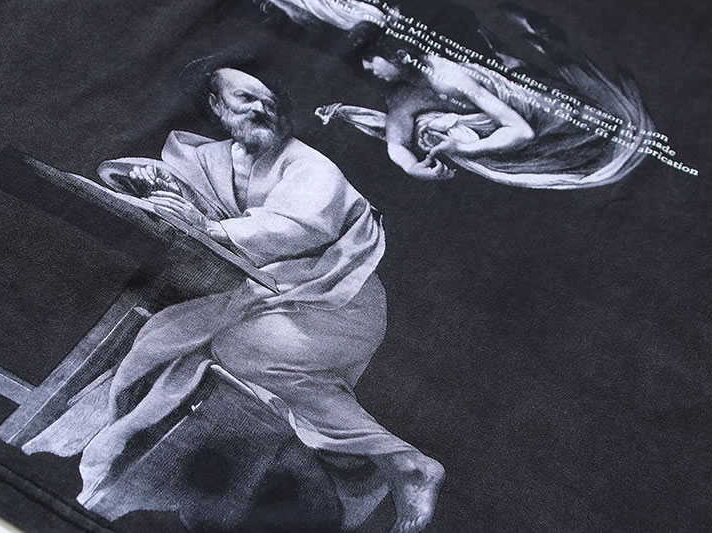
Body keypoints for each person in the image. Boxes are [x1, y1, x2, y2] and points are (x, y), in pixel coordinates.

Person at [81, 56, 445, 533]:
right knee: (166, 338)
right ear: (216, 104)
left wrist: (209, 227)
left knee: (243, 348)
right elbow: (176, 195)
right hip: (269, 297)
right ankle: (393, 464)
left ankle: (405, 464)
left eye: (269, 102)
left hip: (338, 302)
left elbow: (299, 228)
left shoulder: (309, 166)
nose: (259, 109)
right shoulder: (205, 160)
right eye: (245, 99)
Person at [316, 20, 653, 189]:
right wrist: (410, 167)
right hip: (517, 132)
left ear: (399, 55)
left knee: (603, 135)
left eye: (370, 59)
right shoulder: (401, 95)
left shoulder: (447, 77)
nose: (366, 69)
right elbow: (397, 140)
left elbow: (520, 131)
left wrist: (462, 149)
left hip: (549, 118)